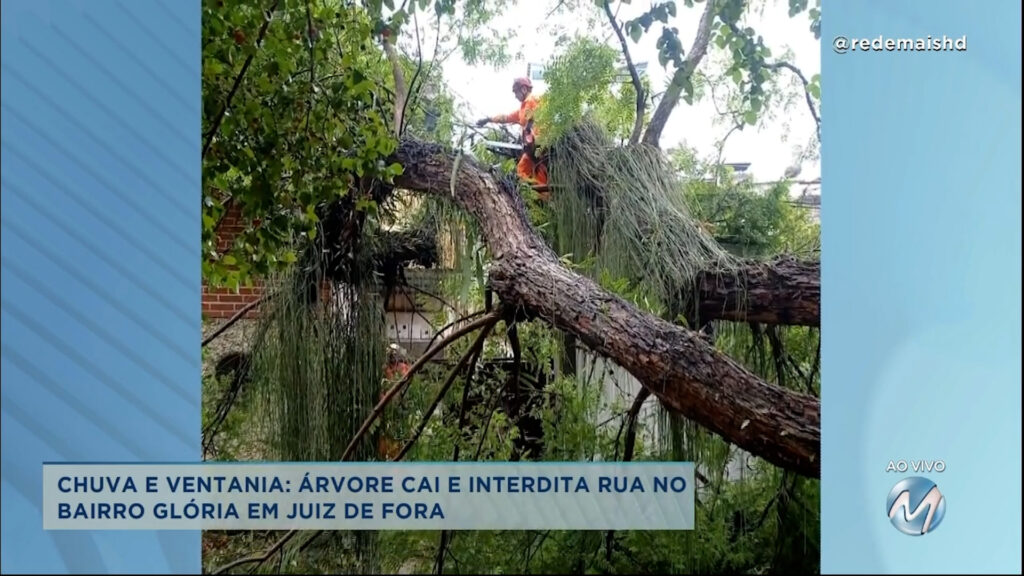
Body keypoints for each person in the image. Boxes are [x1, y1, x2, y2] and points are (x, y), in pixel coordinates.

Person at [477, 76, 549, 189]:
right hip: (533, 147)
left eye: (516, 92)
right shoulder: (522, 108)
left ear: (524, 89)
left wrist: (530, 128)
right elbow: (506, 118)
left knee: (523, 169)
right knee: (533, 170)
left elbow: (540, 114)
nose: (515, 96)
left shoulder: (533, 99)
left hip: (541, 142)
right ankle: (542, 195)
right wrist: (488, 119)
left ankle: (534, 193)